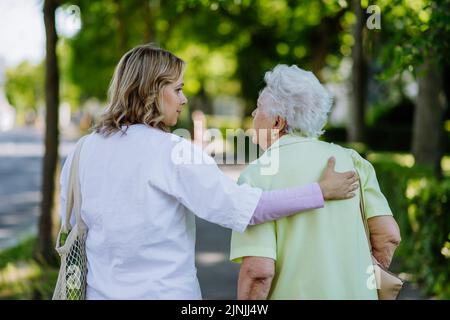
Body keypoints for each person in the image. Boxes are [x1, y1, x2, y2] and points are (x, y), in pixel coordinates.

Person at [59, 44, 358, 300]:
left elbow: (75, 224)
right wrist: (320, 191)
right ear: (151, 91)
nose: (184, 99)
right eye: (177, 89)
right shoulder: (172, 150)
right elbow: (246, 208)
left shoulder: (81, 151)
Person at [230, 64, 401, 300]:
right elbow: (389, 236)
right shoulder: (352, 161)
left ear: (277, 123)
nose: (253, 115)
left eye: (258, 108)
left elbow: (259, 271)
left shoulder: (256, 176)